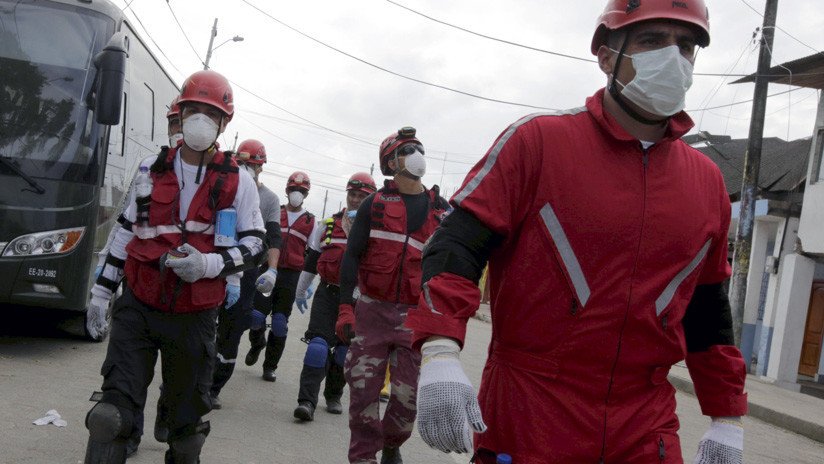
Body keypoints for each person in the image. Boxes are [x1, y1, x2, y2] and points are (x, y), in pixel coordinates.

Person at [405, 1, 748, 463]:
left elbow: (708, 309)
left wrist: (727, 418)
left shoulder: (707, 185)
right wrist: (440, 351)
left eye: (685, 46)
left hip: (644, 427)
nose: (672, 57)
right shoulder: (537, 143)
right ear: (606, 56)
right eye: (651, 41)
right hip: (531, 415)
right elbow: (457, 247)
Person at [83, 69, 265, 464]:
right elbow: (126, 233)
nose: (199, 119)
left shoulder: (239, 182)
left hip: (194, 316)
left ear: (223, 122)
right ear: (179, 114)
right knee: (110, 416)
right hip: (139, 305)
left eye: (210, 112)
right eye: (192, 109)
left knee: (187, 436)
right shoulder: (152, 168)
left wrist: (210, 265)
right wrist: (100, 292)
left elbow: (255, 245)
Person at [338, 127, 448, 464]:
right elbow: (352, 255)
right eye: (408, 149)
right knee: (363, 392)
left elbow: (446, 269)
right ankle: (362, 457)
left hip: (414, 317)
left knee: (407, 398)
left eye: (419, 147)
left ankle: (391, 443)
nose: (417, 154)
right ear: (391, 161)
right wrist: (345, 307)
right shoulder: (375, 203)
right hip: (372, 312)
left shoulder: (440, 211)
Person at [88, 94, 186, 457]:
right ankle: (128, 432)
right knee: (126, 378)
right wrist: (103, 285)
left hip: (188, 300)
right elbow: (125, 226)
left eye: (184, 121)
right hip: (140, 286)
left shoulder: (220, 176)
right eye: (175, 122)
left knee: (180, 386)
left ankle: (166, 413)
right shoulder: (148, 166)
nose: (180, 130)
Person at [292, 172, 377, 422]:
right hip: (327, 294)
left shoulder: (377, 231)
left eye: (362, 196)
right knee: (317, 348)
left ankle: (333, 395)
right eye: (353, 194)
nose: (356, 200)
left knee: (343, 352)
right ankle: (306, 401)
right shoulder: (328, 225)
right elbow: (312, 259)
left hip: (357, 300)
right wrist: (300, 289)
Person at [209, 139, 283, 408]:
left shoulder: (270, 200)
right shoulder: (222, 182)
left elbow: (273, 237)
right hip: (216, 265)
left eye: (251, 164)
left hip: (248, 271)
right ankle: (194, 378)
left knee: (233, 328)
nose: (245, 168)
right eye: (241, 163)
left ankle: (215, 386)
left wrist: (272, 270)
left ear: (261, 167)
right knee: (204, 325)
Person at [245, 171, 315, 382]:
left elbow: (312, 254)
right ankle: (257, 343)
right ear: (287, 190)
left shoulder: (310, 221)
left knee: (279, 322)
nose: (297, 193)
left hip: (291, 276)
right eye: (294, 189)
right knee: (256, 316)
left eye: (302, 191)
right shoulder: (276, 211)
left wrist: (307, 281)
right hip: (267, 269)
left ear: (306, 194)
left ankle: (270, 366)